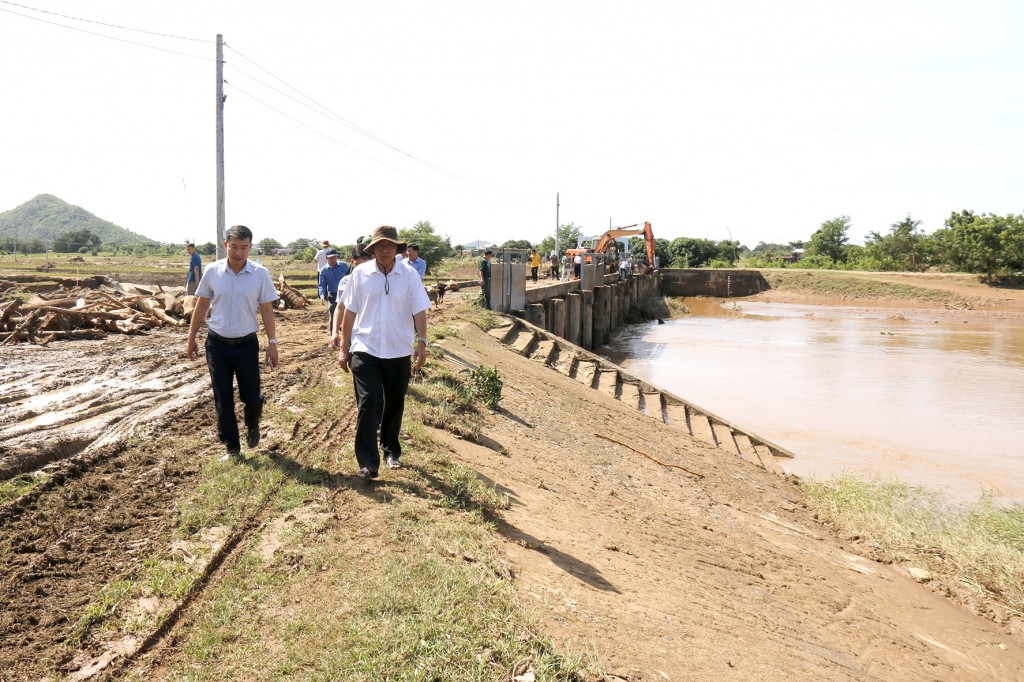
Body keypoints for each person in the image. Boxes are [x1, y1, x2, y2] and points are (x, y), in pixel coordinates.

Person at [337, 225, 431, 479]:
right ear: (373, 249)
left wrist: (422, 342)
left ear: (397, 248)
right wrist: (344, 348)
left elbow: (419, 310)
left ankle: (391, 449)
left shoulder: (409, 275)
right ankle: (368, 463)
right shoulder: (360, 273)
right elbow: (349, 312)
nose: (385, 249)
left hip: (398, 349)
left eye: (389, 245)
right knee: (368, 402)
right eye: (380, 245)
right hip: (365, 347)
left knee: (394, 401)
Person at [186, 225, 279, 459]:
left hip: (246, 344)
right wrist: (191, 337)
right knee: (222, 397)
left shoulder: (260, 274)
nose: (238, 252)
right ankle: (232, 447)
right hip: (217, 344)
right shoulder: (213, 271)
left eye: (244, 247)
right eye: (234, 247)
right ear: (226, 245)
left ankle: (252, 423)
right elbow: (202, 305)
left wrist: (272, 342)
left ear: (250, 247)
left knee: (251, 396)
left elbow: (267, 309)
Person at [330, 241, 372, 349]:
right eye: (358, 264)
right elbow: (340, 307)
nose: (361, 268)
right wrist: (335, 332)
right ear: (352, 262)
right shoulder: (346, 281)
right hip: (351, 330)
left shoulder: (378, 280)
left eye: (365, 261)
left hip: (371, 332)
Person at [318, 248, 348, 327]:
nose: (333, 260)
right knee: (333, 314)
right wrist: (322, 296)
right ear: (326, 258)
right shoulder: (324, 270)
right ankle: (333, 333)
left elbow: (350, 277)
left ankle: (346, 333)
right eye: (331, 258)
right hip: (333, 295)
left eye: (335, 257)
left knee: (347, 314)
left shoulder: (343, 266)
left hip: (345, 293)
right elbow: (322, 285)